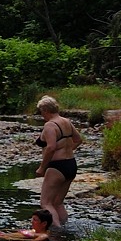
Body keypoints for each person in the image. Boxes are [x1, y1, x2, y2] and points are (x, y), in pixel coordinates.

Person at [35, 95, 82, 227]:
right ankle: (65, 229)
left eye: (41, 111)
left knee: (46, 202)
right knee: (58, 202)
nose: (41, 114)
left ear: (45, 110)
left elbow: (51, 147)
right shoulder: (66, 121)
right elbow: (78, 139)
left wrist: (42, 167)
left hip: (57, 167)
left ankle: (57, 230)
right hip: (71, 164)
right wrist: (67, 150)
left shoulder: (50, 125)